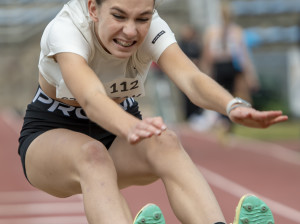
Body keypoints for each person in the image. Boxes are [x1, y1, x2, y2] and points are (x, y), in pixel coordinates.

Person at [18, 0, 287, 223]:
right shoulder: (66, 28)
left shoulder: (153, 28)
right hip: (52, 133)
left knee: (166, 141)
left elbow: (191, 78)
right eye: (119, 16)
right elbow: (90, 97)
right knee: (92, 155)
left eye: (142, 18)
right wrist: (129, 126)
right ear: (93, 9)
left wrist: (232, 105)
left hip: (120, 133)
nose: (131, 31)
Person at [201, 0, 261, 132]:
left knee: (233, 93)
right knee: (224, 93)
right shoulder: (214, 31)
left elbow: (243, 55)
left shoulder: (234, 31)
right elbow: (208, 55)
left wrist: (250, 75)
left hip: (228, 65)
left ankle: (230, 120)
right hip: (222, 65)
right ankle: (224, 120)